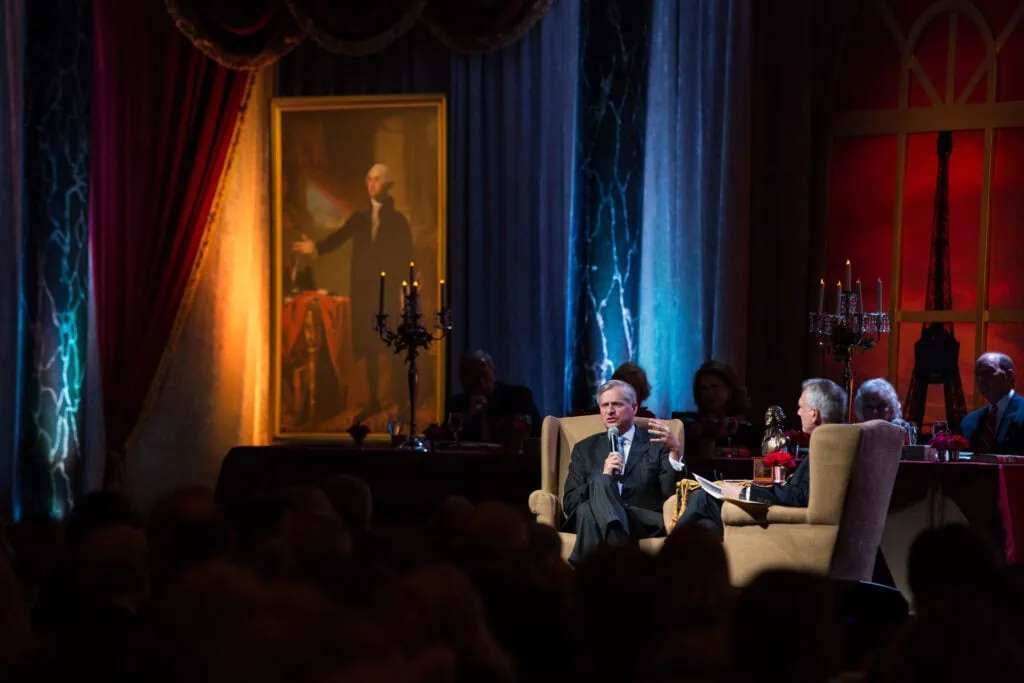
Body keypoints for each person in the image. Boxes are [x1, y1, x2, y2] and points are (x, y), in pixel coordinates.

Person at [293, 163, 414, 417]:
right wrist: (316, 248)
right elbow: (339, 237)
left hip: (389, 292)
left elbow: (406, 258)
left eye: (377, 179)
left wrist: (405, 293)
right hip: (365, 293)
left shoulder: (398, 221)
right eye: (369, 179)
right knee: (369, 348)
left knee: (393, 346)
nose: (371, 184)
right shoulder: (360, 218)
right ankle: (373, 400)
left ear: (388, 185)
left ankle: (402, 403)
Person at [678, 377, 847, 536]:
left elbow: (799, 495)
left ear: (814, 414)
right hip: (787, 520)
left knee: (703, 498)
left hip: (784, 525)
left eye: (801, 407)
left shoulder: (826, 448)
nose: (798, 412)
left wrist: (744, 493)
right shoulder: (837, 442)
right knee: (706, 526)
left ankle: (666, 552)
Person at [562, 379, 686, 563]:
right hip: (598, 519)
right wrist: (604, 476)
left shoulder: (656, 444)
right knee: (596, 487)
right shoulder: (584, 448)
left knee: (588, 511)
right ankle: (621, 558)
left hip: (640, 519)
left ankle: (584, 572)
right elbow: (570, 502)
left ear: (634, 408)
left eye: (617, 404)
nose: (609, 411)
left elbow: (670, 493)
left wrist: (675, 453)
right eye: (604, 405)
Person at [676, 360, 759, 464]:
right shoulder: (694, 427)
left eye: (715, 387)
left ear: (730, 389)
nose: (709, 393)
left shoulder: (747, 428)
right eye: (704, 389)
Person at [447, 350, 541, 441]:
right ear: (463, 381)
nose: (481, 382)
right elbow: (445, 438)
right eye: (474, 377)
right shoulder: (457, 404)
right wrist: (468, 416)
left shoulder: (518, 396)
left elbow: (537, 432)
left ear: (494, 373)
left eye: (484, 375)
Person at [959, 352, 1024, 454]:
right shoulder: (969, 421)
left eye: (987, 372)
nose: (981, 380)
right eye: (977, 375)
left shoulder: (1021, 413)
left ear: (1009, 375)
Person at [854, 377, 916, 443]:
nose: (875, 411)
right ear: (861, 410)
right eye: (869, 407)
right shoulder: (856, 434)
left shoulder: (900, 429)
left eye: (881, 406)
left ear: (892, 408)